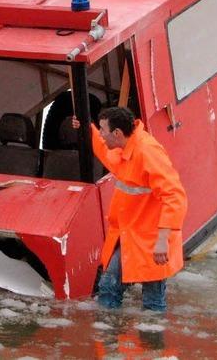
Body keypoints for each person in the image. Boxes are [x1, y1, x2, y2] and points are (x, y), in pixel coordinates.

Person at [72, 107, 187, 311]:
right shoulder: (126, 148)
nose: (101, 134)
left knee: (152, 302)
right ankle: (110, 339)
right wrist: (86, 129)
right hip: (130, 235)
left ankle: (150, 341)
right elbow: (107, 153)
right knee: (108, 287)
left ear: (117, 133)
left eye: (103, 130)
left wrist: (162, 240)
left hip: (152, 240)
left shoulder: (147, 152)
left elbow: (175, 196)